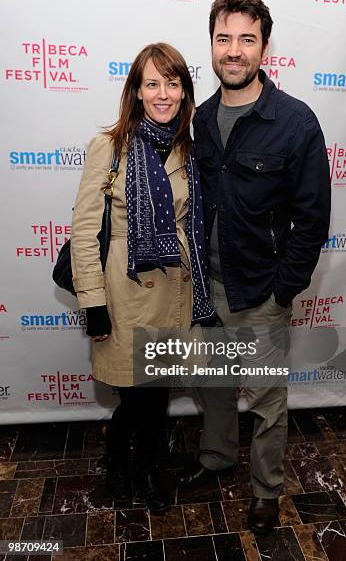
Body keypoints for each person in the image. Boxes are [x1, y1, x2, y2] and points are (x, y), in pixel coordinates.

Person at [178, 0, 331, 536]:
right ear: (212, 46)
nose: (234, 51)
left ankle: (266, 491)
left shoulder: (295, 122)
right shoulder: (197, 118)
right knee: (214, 387)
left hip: (260, 293)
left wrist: (282, 289)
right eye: (224, 39)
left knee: (267, 403)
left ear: (265, 46)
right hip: (206, 288)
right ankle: (217, 460)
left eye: (247, 39)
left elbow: (312, 219)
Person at [70, 42, 214, 513]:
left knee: (156, 396)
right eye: (152, 83)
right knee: (136, 396)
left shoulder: (189, 149)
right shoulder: (109, 147)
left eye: (173, 84)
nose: (163, 94)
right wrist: (92, 301)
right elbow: (85, 231)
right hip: (124, 295)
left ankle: (148, 467)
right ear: (135, 90)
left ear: (184, 91)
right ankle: (117, 456)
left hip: (175, 292)